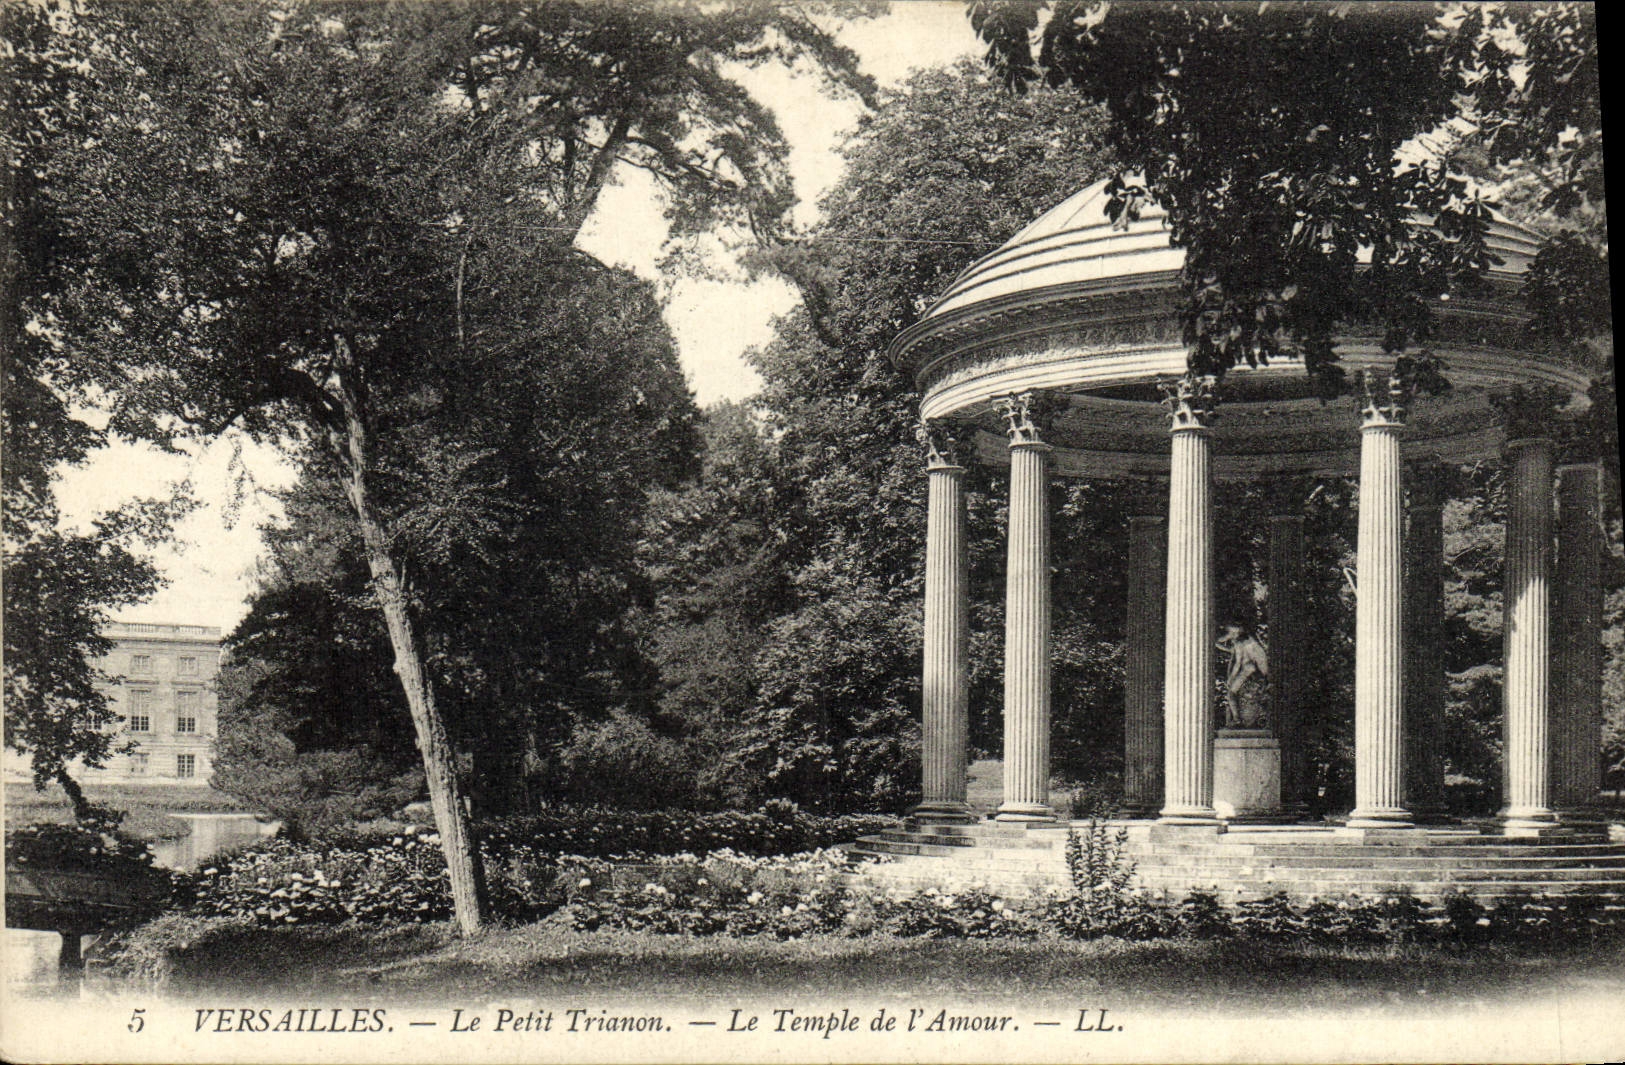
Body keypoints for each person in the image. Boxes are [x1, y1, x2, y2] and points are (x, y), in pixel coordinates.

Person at [1216, 624, 1270, 729]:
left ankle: (1237, 719)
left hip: (1248, 671)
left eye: (1231, 634)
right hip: (1253, 672)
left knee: (1231, 693)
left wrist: (1231, 678)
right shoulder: (1250, 642)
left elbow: (1238, 663)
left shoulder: (1240, 644)